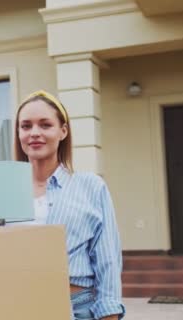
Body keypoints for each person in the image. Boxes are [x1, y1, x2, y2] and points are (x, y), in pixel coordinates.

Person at [14, 90, 125, 320]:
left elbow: (108, 263)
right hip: (18, 307)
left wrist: (110, 316)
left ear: (63, 131)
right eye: (26, 126)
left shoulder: (91, 186)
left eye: (45, 125)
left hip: (78, 308)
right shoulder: (5, 190)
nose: (34, 133)